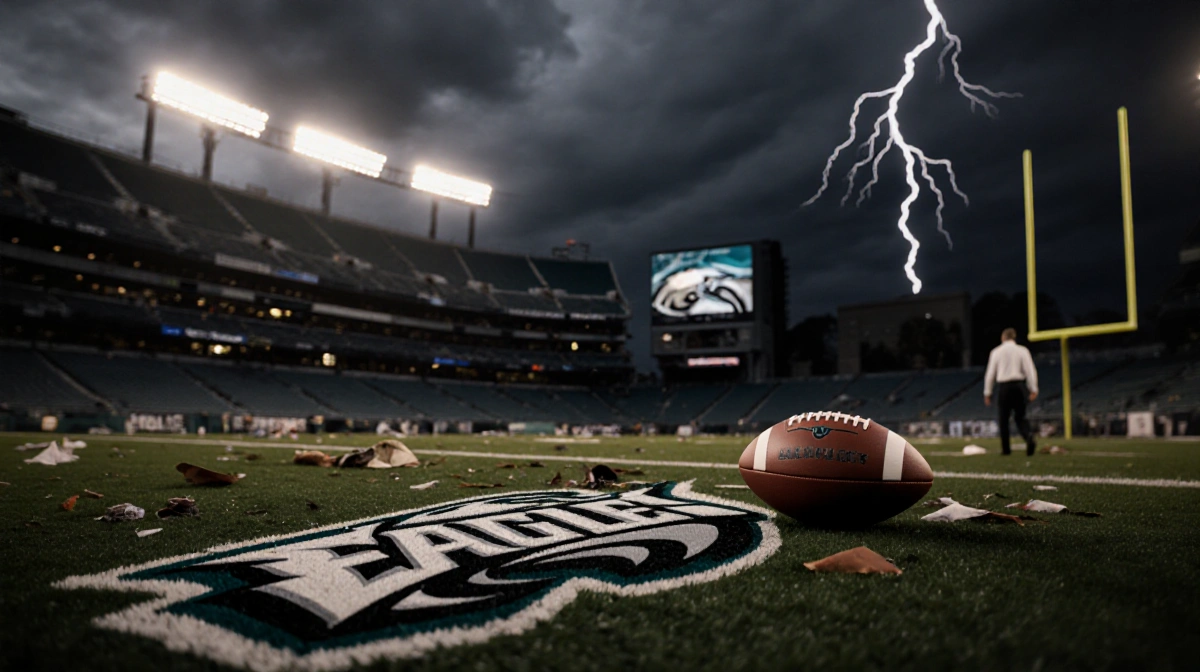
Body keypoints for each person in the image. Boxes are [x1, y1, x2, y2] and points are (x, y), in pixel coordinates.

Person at [983, 328, 1039, 456]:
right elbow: (1030, 371)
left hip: (1004, 387)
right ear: (1014, 337)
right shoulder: (1022, 350)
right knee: (1020, 417)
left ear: (1003, 338)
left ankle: (1006, 449)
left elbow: (990, 374)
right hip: (1019, 386)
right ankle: (1028, 437)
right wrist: (1033, 388)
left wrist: (988, 392)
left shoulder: (996, 352)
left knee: (1003, 420)